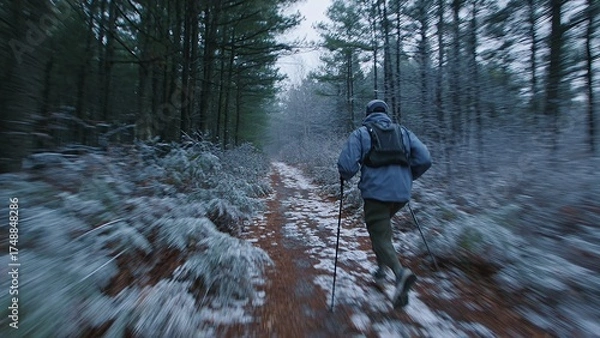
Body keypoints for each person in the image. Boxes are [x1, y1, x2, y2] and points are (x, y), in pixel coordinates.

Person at [337, 99, 432, 308]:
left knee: (379, 233)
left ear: (368, 113)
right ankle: (381, 271)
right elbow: (425, 158)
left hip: (376, 194)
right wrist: (408, 176)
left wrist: (345, 174)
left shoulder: (362, 133)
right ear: (386, 113)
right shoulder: (403, 132)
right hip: (401, 194)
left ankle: (400, 274)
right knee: (382, 232)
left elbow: (346, 166)